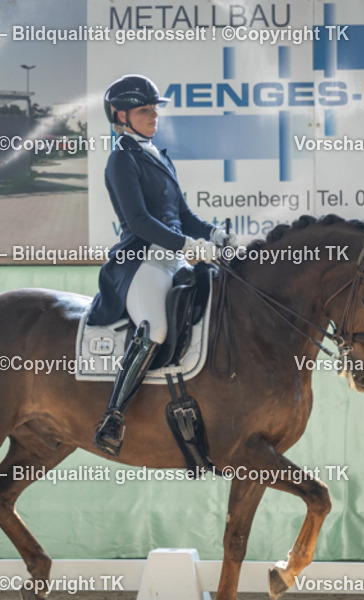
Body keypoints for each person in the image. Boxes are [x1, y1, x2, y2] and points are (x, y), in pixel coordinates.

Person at [89, 74, 236, 458]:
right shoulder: (121, 159)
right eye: (144, 110)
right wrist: (191, 246)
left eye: (155, 109)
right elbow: (139, 221)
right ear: (121, 115)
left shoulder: (158, 155)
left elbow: (182, 215)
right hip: (141, 261)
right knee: (155, 327)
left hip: (172, 258)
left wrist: (216, 235)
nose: (154, 115)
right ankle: (113, 417)